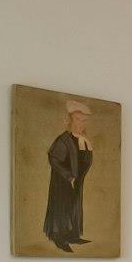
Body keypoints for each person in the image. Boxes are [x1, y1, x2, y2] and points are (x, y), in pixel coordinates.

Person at [43, 100, 95, 252]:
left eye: (84, 120)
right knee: (62, 207)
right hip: (63, 182)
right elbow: (54, 159)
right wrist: (68, 176)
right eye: (78, 119)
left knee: (74, 207)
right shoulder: (63, 140)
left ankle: (73, 235)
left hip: (77, 181)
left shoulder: (84, 140)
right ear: (69, 120)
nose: (81, 124)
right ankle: (59, 238)